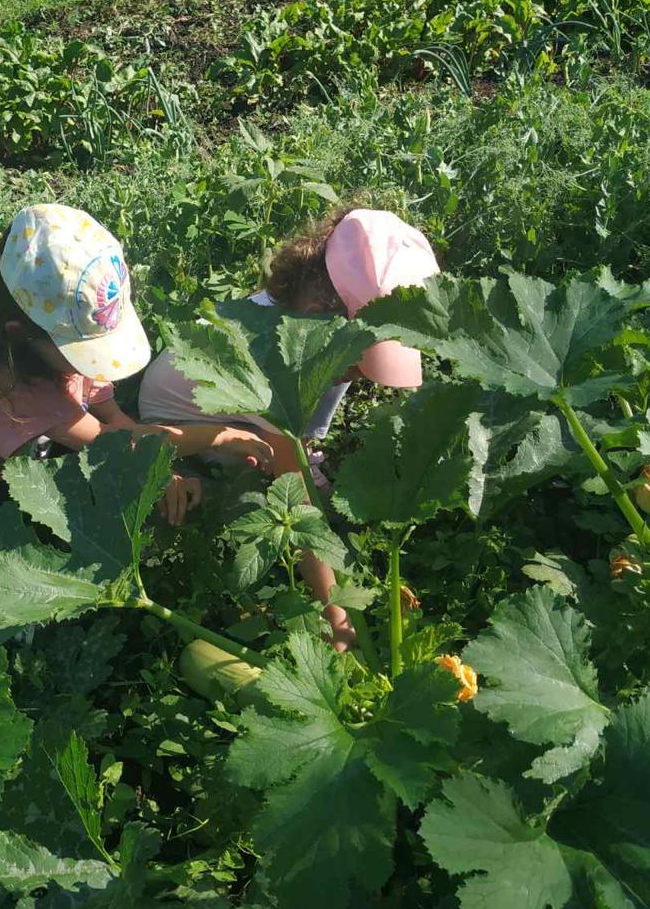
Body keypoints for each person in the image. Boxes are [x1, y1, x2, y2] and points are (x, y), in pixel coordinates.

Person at [137, 207, 440, 651]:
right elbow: (292, 492)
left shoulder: (316, 336)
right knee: (257, 499)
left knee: (308, 484)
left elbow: (306, 435)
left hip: (240, 420)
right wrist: (335, 617)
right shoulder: (272, 356)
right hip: (181, 429)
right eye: (359, 362)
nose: (355, 375)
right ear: (320, 315)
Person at [0, 203, 274, 552]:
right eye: (82, 351)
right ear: (19, 334)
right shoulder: (3, 384)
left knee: (116, 479)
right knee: (88, 513)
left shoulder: (49, 351)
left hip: (28, 457)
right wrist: (218, 435)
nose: (91, 365)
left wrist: (163, 473)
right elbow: (115, 442)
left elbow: (114, 419)